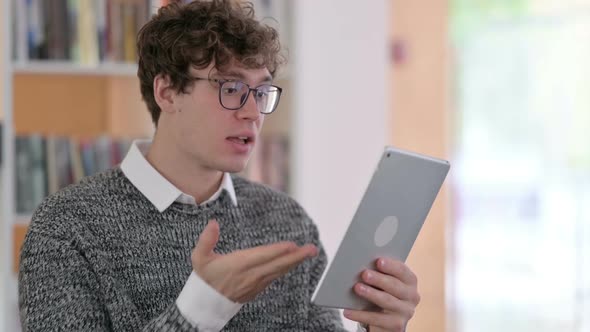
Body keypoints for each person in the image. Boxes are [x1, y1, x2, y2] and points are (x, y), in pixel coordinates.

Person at [18, 1, 420, 331]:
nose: (252, 112)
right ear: (167, 91)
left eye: (260, 91)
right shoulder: (66, 227)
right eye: (231, 88)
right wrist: (202, 307)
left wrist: (381, 329)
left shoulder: (286, 221)